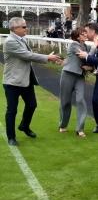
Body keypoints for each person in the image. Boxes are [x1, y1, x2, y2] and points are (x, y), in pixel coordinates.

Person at [3, 17, 62, 145]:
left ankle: (24, 126)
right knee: (12, 110)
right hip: (12, 81)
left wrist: (48, 57)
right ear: (15, 28)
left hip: (26, 79)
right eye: (24, 27)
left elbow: (29, 54)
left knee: (31, 105)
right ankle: (11, 137)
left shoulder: (22, 39)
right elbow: (27, 55)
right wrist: (48, 57)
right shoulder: (10, 41)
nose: (26, 29)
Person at [59, 29, 89, 137]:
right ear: (77, 36)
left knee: (80, 100)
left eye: (85, 33)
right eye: (83, 33)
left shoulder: (86, 46)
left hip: (80, 76)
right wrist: (95, 48)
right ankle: (63, 125)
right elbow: (83, 55)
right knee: (65, 102)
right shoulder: (74, 45)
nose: (85, 34)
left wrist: (91, 66)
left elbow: (91, 57)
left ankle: (80, 129)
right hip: (68, 74)